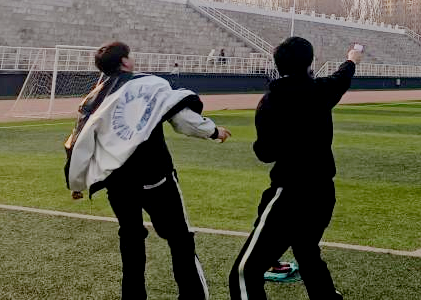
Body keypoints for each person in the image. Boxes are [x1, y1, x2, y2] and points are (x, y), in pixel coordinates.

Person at [66, 41, 231, 300]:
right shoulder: (150, 83)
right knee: (180, 239)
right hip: (156, 178)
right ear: (124, 61)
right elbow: (182, 119)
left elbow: (79, 141)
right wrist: (213, 131)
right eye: (129, 55)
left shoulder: (94, 98)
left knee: (130, 239)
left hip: (118, 184)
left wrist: (76, 183)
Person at [229, 37, 361, 300]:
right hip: (322, 194)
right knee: (307, 253)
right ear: (309, 62)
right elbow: (342, 77)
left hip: (289, 197)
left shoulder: (270, 102)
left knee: (245, 272)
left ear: (278, 65)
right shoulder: (322, 90)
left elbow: (265, 153)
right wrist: (352, 59)